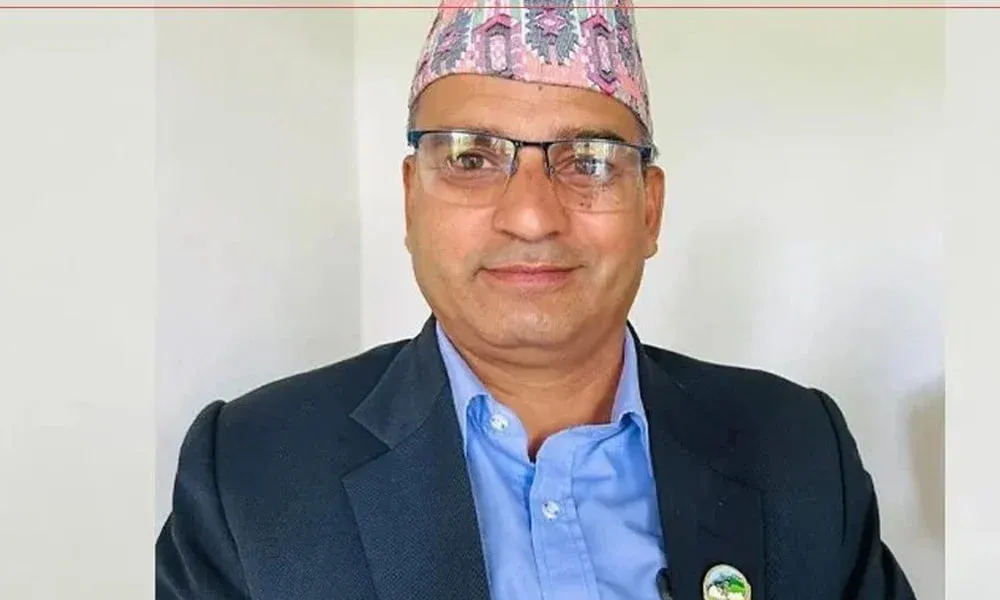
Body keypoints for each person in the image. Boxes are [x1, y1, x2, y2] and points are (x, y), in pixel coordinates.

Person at [155, 2, 916, 599]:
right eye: (471, 158)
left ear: (650, 209)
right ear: (411, 199)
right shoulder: (250, 474)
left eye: (589, 160)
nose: (530, 216)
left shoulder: (799, 452)